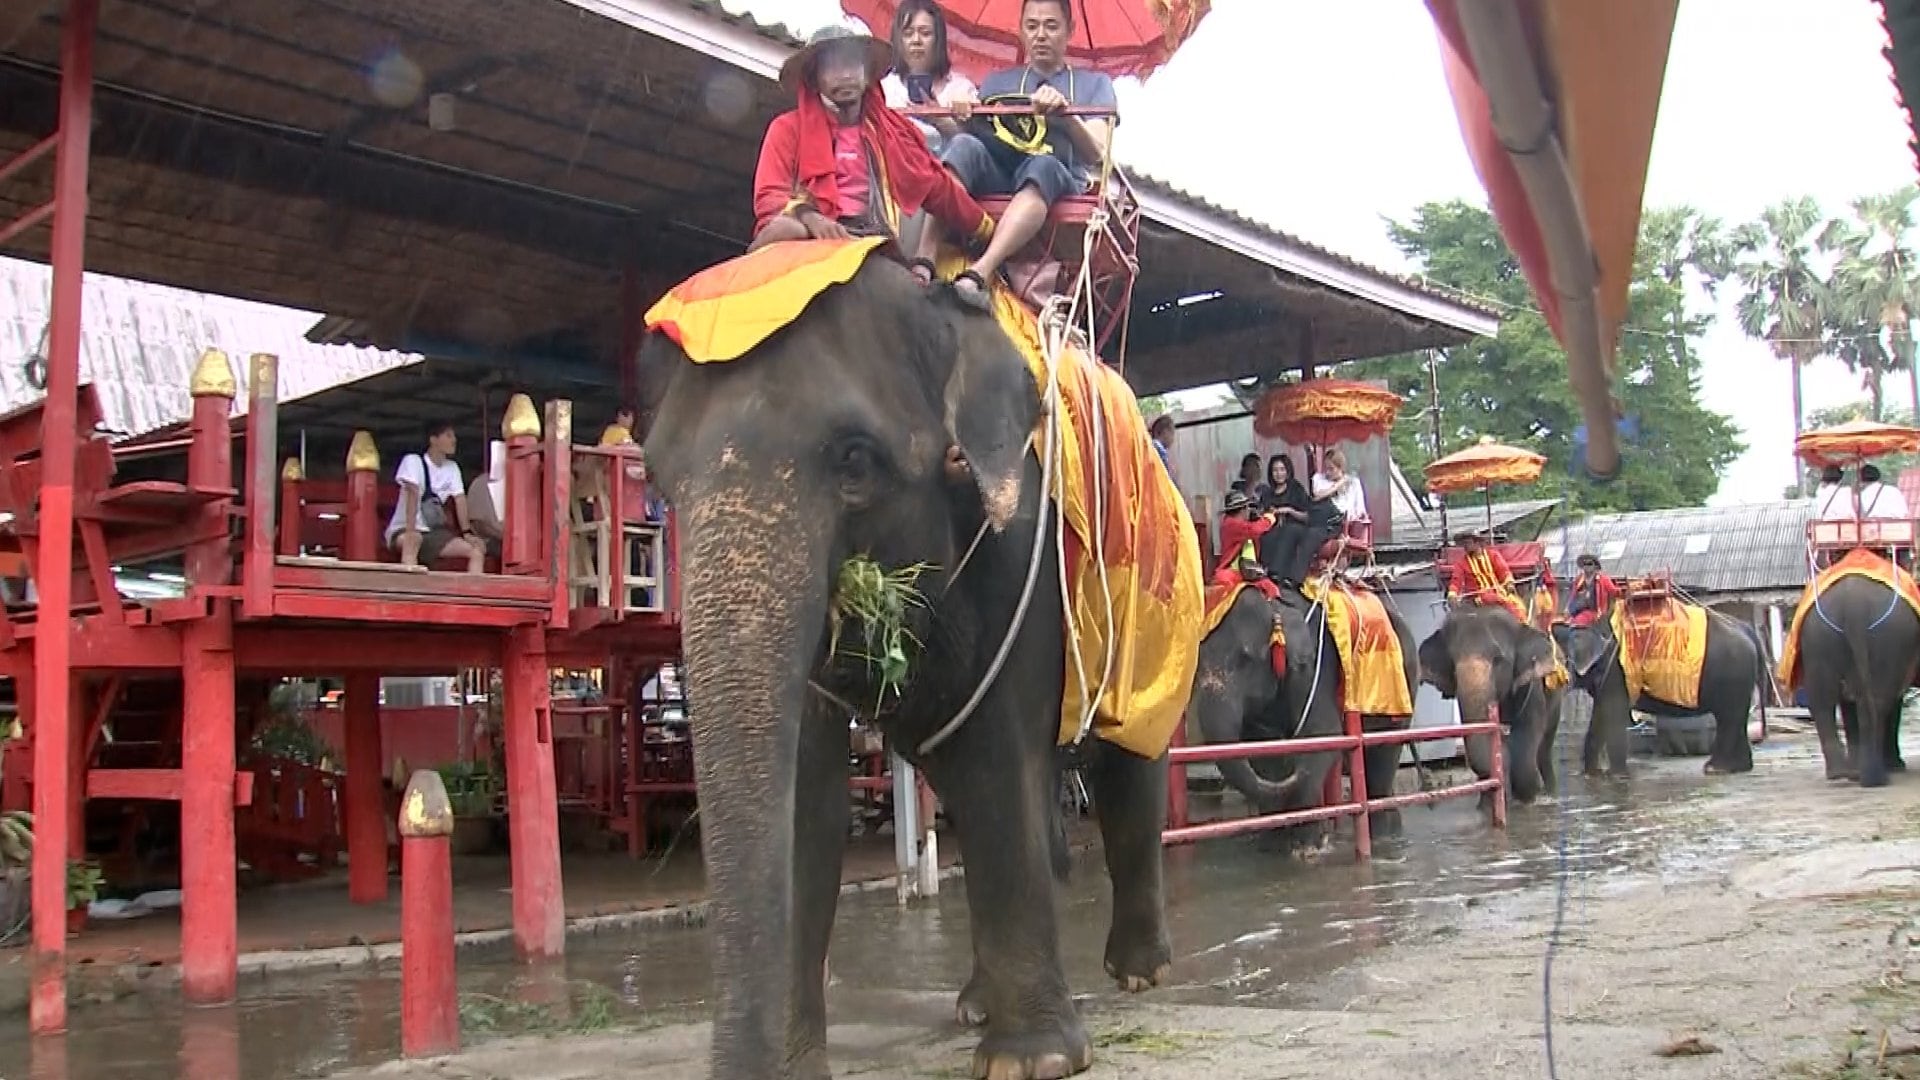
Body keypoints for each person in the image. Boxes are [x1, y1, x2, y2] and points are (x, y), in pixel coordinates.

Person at [915, 0, 1118, 309]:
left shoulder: (1095, 85)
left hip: (1057, 177)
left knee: (1043, 165)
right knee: (961, 148)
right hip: (1000, 172)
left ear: (1069, 31)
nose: (1040, 35)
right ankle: (923, 257)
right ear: (1021, 30)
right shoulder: (998, 81)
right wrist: (952, 113)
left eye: (1051, 26)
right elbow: (971, 136)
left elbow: (1097, 153)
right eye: (1032, 26)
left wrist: (1066, 115)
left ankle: (981, 269)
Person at [751, 25, 994, 262]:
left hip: (872, 238)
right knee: (785, 230)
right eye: (832, 66)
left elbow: (938, 187)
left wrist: (985, 229)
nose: (845, 74)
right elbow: (768, 197)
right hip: (808, 229)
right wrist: (809, 217)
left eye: (852, 64)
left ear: (867, 74)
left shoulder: (892, 132)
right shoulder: (787, 129)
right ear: (814, 79)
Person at [386, 420, 486, 573]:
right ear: (433, 440)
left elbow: (460, 500)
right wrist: (411, 530)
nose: (454, 440)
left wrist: (467, 533)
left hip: (433, 532)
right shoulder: (413, 461)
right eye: (448, 435)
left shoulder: (452, 468)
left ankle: (474, 591)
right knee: (414, 541)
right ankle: (410, 587)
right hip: (404, 528)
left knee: (475, 550)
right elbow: (412, 493)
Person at [881, 0, 978, 152]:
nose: (916, 41)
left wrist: (940, 119)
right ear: (898, 40)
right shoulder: (883, 90)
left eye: (925, 33)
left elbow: (974, 150)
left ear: (938, 39)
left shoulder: (961, 89)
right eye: (908, 34)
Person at [1260, 448, 1364, 588]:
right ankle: (1276, 571)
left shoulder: (1353, 483)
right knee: (1291, 529)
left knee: (1312, 534)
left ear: (1341, 468)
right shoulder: (1319, 479)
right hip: (1316, 517)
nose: (1327, 472)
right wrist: (1338, 484)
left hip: (1335, 521)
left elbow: (1359, 510)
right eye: (1326, 468)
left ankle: (1295, 579)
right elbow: (1318, 495)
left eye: (1331, 469)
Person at [1447, 530, 1526, 620]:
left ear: (1477, 542)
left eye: (1468, 543)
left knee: (1519, 611)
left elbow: (1504, 571)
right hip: (1475, 600)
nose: (1465, 546)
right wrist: (1452, 595)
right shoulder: (1461, 563)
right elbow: (1456, 580)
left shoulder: (1493, 556)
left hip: (1499, 595)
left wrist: (1509, 583)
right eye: (1463, 543)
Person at [1214, 491, 1275, 577]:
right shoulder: (1231, 523)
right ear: (1242, 509)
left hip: (1244, 571)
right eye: (1247, 507)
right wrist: (1269, 518)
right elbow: (1255, 530)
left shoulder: (1235, 522)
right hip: (1232, 572)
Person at [1564, 552, 1620, 629]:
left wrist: (1621, 592)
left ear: (1595, 566)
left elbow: (1614, 592)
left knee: (1579, 621)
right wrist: (1567, 608)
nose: (1587, 566)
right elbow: (1573, 595)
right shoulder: (1579, 580)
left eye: (1589, 564)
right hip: (1578, 610)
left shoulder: (1603, 579)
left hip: (1595, 612)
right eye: (1585, 564)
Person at [1256, 453, 1309, 520]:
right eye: (1275, 470)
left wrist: (1290, 511)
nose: (1279, 473)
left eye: (1282, 469)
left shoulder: (1296, 489)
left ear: (1288, 471)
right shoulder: (1266, 494)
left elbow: (1307, 517)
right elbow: (1261, 516)